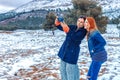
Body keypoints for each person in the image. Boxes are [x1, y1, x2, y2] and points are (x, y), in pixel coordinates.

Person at [54, 16, 87, 80]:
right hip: (64, 52)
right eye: (78, 21)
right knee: (63, 70)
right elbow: (62, 27)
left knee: (70, 72)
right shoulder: (73, 27)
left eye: (81, 22)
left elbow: (74, 37)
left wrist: (66, 28)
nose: (79, 23)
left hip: (72, 53)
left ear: (84, 24)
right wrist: (57, 22)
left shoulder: (83, 32)